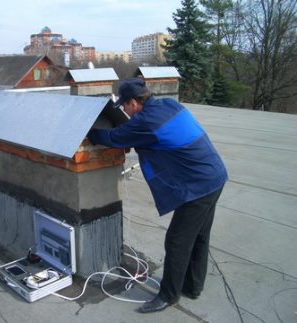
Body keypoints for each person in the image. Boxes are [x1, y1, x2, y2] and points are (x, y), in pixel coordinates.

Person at [87, 78, 228, 313]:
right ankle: (192, 287)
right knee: (199, 235)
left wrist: (91, 134)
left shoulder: (146, 121)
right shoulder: (169, 105)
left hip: (199, 186)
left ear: (133, 103)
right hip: (215, 176)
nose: (124, 110)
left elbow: (114, 137)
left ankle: (168, 295)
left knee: (177, 240)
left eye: (124, 106)